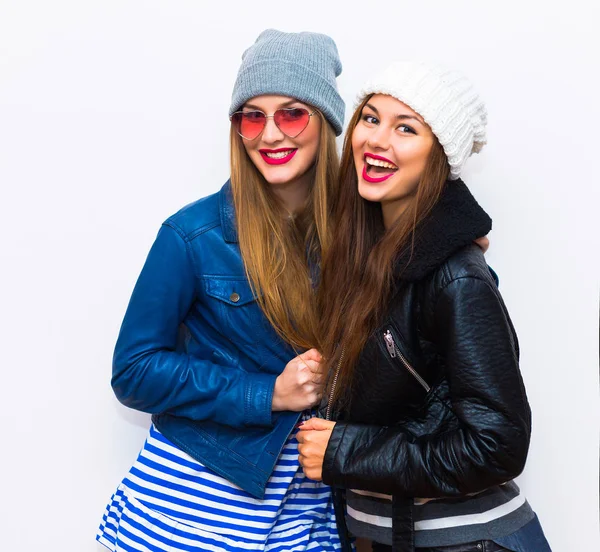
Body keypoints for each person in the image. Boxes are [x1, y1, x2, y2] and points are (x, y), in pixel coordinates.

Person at [96, 29, 346, 552]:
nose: (270, 134)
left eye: (292, 113)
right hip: (192, 505)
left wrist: (447, 233)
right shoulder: (192, 236)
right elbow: (133, 371)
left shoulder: (361, 236)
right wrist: (266, 393)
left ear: (325, 121)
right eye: (251, 116)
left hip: (307, 510)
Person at [297, 62, 552, 551]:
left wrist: (346, 450)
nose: (377, 140)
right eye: (370, 119)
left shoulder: (456, 278)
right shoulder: (366, 259)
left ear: (439, 155)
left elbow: (498, 445)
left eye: (406, 128)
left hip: (468, 543)